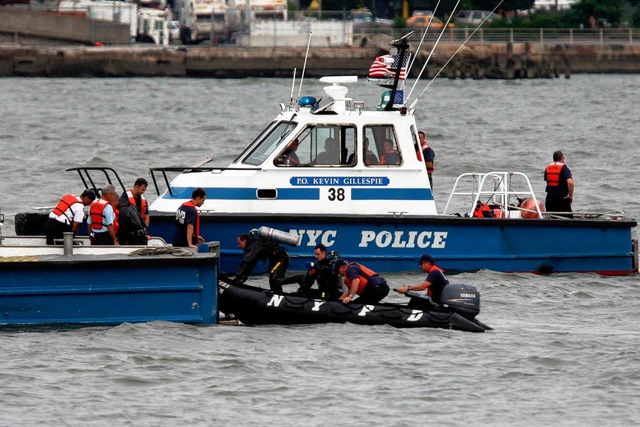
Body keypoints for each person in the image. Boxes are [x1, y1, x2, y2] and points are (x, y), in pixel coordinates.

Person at [235, 231, 304, 294]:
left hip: (281, 258)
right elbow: (251, 264)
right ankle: (278, 294)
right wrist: (243, 278)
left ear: (244, 240)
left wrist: (238, 276)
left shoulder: (254, 245)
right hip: (275, 259)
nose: (239, 246)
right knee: (273, 282)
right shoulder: (253, 245)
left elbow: (247, 261)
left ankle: (299, 278)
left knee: (275, 280)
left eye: (239, 243)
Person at [117, 177, 150, 245]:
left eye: (144, 190)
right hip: (127, 232)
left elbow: (146, 216)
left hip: (139, 232)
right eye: (142, 190)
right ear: (136, 186)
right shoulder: (125, 198)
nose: (143, 192)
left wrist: (145, 231)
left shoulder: (143, 200)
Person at [544, 150, 574, 218]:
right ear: (562, 158)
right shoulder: (564, 168)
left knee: (552, 220)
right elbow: (570, 182)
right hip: (561, 200)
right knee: (569, 221)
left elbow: (547, 180)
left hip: (549, 200)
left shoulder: (548, 167)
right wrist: (570, 196)